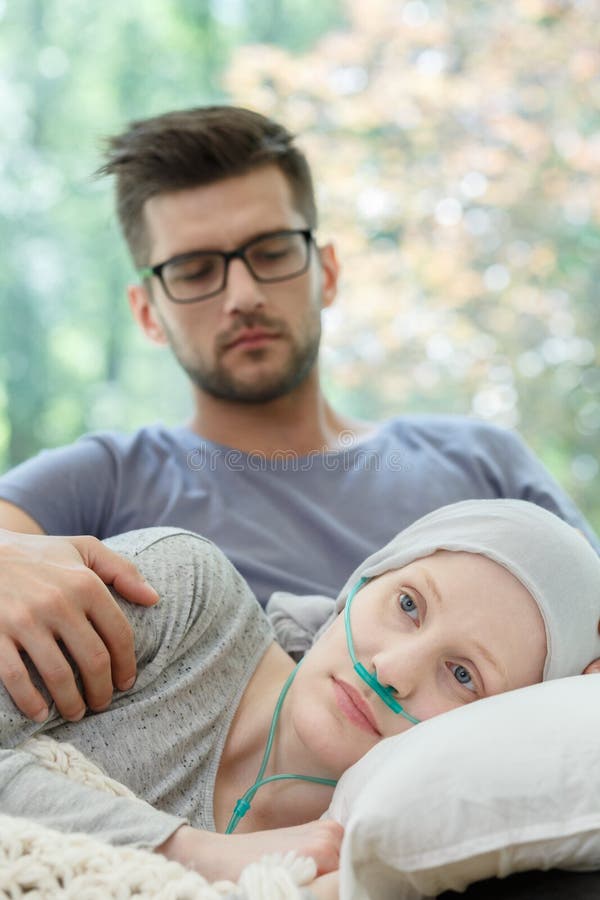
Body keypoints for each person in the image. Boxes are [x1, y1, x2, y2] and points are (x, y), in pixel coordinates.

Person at [0, 106, 599, 727]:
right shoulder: (103, 480)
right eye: (195, 270)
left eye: (272, 251)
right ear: (148, 312)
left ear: (328, 272)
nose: (243, 296)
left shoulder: (484, 462)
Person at [2, 499, 600, 896]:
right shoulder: (183, 593)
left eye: (463, 675)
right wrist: (190, 851)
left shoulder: (386, 865)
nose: (390, 670)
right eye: (409, 605)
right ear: (360, 583)